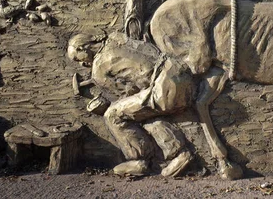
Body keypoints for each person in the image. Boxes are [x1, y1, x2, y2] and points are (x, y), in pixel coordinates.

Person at [67, 32, 193, 177]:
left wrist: (102, 105)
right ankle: (179, 154)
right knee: (140, 112)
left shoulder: (99, 68)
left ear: (84, 48)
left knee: (113, 115)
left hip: (166, 88)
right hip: (178, 71)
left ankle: (139, 161)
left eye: (78, 59)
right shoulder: (115, 37)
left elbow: (127, 94)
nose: (81, 64)